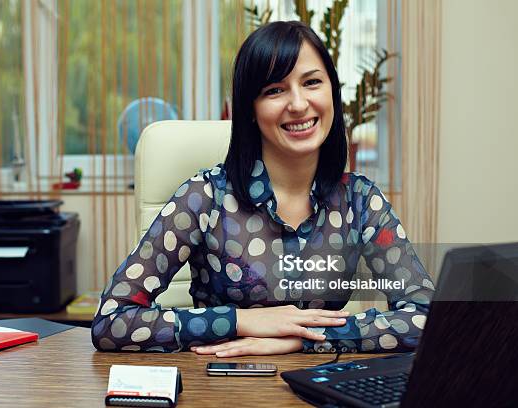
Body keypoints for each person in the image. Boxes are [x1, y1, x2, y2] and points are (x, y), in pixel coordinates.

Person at [91, 21, 434, 356]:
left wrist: (307, 337)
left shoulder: (360, 201)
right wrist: (241, 320)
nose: (298, 104)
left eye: (312, 82)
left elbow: (426, 318)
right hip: (220, 387)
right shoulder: (205, 198)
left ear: (332, 92)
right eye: (274, 90)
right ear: (251, 109)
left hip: (316, 386)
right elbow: (111, 321)